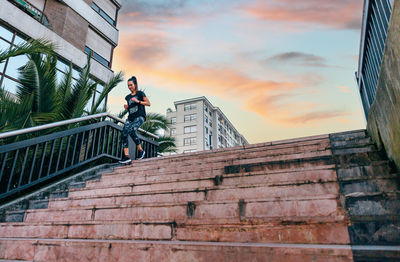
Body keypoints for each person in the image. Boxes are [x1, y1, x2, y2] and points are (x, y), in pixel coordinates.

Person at [119, 76, 150, 164]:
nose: (129, 87)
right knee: (124, 132)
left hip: (140, 116)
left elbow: (148, 103)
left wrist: (138, 101)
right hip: (131, 117)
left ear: (135, 84)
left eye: (131, 85)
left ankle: (140, 150)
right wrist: (127, 107)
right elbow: (132, 107)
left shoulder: (140, 94)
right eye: (128, 85)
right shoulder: (127, 97)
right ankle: (126, 156)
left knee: (132, 130)